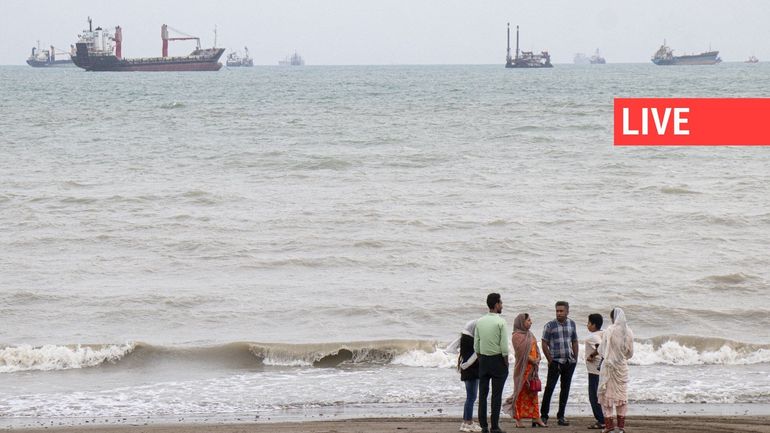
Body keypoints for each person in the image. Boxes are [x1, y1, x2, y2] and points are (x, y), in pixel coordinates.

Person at [503, 313, 547, 428]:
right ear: (521, 322)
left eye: (530, 320)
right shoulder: (516, 336)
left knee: (533, 393)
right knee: (520, 392)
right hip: (522, 369)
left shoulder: (530, 334)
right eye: (528, 320)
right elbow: (520, 352)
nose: (530, 322)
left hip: (532, 369)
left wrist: (538, 358)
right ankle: (518, 419)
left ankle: (536, 417)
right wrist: (532, 359)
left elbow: (535, 348)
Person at [474, 293, 509, 433]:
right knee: (496, 395)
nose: (502, 305)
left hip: (483, 359)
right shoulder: (501, 322)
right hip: (497, 359)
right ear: (496, 305)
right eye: (501, 303)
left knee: (482, 394)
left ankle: (483, 426)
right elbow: (504, 346)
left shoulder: (480, 321)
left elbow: (476, 344)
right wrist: (506, 362)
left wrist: (480, 357)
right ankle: (494, 426)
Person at [540, 301, 578, 426]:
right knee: (549, 388)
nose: (559, 313)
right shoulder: (550, 325)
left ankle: (561, 416)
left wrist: (575, 358)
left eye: (561, 311)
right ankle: (544, 416)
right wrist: (550, 360)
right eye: (557, 311)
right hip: (555, 361)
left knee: (565, 389)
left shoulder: (572, 324)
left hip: (568, 361)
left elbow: (574, 341)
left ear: (567, 311)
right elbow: (544, 343)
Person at [598, 307, 634, 433]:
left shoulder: (609, 330)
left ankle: (609, 427)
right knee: (621, 397)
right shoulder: (628, 332)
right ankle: (621, 427)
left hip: (609, 367)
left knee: (607, 396)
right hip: (622, 368)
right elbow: (630, 353)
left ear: (613, 318)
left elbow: (602, 350)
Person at [458, 320, 483, 432]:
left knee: (470, 397)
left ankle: (466, 422)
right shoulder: (470, 341)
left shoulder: (464, 339)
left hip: (467, 372)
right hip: (471, 373)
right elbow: (474, 357)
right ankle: (467, 422)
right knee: (471, 398)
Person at [585, 314, 605, 430]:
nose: (587, 325)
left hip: (594, 370)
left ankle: (601, 420)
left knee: (593, 396)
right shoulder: (604, 333)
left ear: (593, 325)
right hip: (601, 369)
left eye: (588, 323)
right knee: (599, 395)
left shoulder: (592, 337)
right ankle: (603, 418)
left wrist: (592, 355)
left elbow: (601, 346)